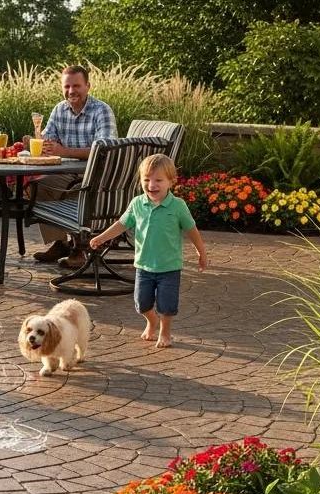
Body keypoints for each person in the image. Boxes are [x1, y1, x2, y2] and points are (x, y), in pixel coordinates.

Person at [89, 154, 208, 349]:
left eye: (158, 180)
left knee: (167, 306)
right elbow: (121, 224)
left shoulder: (178, 206)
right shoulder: (137, 203)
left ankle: (165, 332)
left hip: (169, 267)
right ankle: (151, 321)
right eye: (146, 180)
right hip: (144, 265)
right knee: (142, 304)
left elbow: (191, 230)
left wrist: (201, 253)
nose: (152, 185)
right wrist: (102, 237)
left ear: (171, 181)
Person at [32, 64, 117, 266]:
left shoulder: (101, 111)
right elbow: (48, 142)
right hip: (70, 174)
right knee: (38, 185)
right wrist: (36, 142)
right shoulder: (59, 109)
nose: (71, 91)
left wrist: (65, 151)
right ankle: (60, 243)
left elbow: (105, 151)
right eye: (67, 86)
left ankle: (80, 249)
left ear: (88, 86)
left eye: (76, 86)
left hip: (98, 177)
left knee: (75, 191)